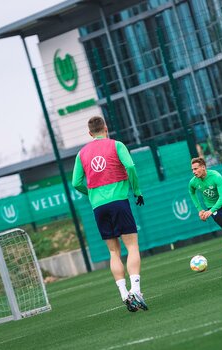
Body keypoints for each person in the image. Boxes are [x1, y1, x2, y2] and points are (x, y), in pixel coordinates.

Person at [72, 116, 148, 313]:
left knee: (113, 252)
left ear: (90, 133)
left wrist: (92, 193)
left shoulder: (81, 153)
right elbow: (130, 166)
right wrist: (137, 190)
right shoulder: (116, 145)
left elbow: (76, 182)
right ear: (106, 128)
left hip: (98, 206)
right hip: (119, 201)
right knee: (131, 246)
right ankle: (137, 290)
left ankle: (124, 294)